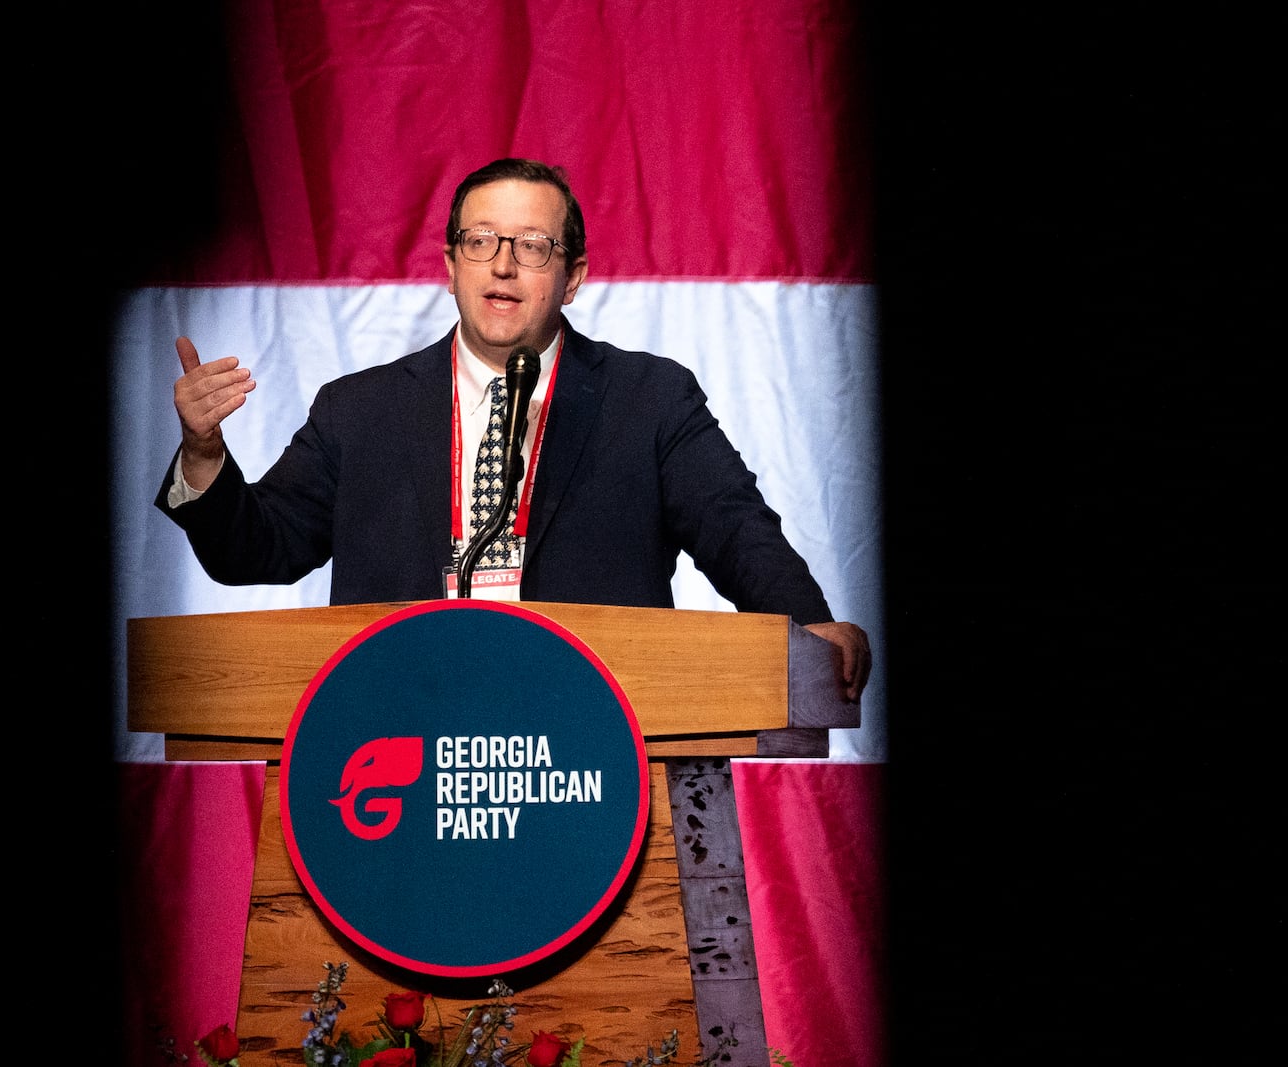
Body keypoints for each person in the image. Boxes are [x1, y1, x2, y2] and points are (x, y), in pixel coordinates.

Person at [158, 158, 871, 699]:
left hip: (594, 741)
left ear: (574, 276)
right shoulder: (358, 410)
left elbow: (735, 527)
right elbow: (255, 550)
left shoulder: (649, 399)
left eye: (532, 245)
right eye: (480, 241)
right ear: (448, 266)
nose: (502, 263)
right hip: (403, 736)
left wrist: (808, 624)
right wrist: (202, 454)